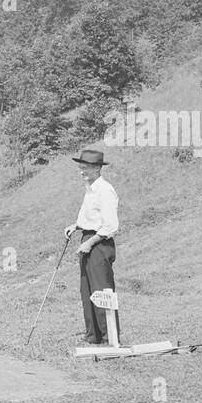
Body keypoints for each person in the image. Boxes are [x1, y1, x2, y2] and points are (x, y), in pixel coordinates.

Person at [64, 147, 121, 346]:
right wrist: (77, 226)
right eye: (80, 167)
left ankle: (110, 338)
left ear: (97, 168)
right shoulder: (91, 189)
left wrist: (90, 242)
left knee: (102, 291)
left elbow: (110, 226)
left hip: (99, 244)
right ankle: (94, 337)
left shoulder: (105, 190)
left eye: (86, 168)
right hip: (88, 240)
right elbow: (92, 218)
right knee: (87, 290)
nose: (82, 172)